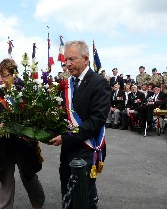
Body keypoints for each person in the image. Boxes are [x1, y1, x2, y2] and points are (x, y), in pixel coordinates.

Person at [49, 40, 110, 208]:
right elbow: (63, 114)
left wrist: (65, 137)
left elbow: (96, 121)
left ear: (86, 59)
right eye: (66, 60)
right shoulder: (68, 84)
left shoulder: (99, 83)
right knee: (67, 195)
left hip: (86, 149)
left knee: (84, 198)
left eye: (72, 59)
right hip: (68, 149)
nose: (68, 64)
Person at [0, 58, 45, 209]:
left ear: (14, 75)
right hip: (3, 143)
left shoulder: (25, 90)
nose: (0, 79)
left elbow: (35, 115)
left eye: (4, 76)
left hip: (23, 143)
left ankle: (38, 203)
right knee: (4, 179)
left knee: (28, 176)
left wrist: (26, 128)